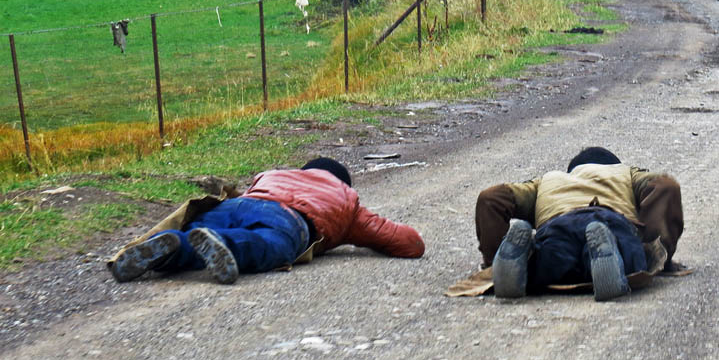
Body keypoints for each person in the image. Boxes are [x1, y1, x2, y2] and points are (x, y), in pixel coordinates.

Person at [108, 157, 424, 284]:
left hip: (244, 202)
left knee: (203, 230)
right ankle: (224, 246)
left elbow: (249, 199)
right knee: (268, 244)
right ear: (343, 182)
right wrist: (352, 234)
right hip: (289, 219)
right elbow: (409, 243)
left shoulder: (275, 174)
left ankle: (171, 249)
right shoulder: (346, 198)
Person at [473, 147, 685, 301]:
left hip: (558, 225)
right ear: (614, 165)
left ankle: (517, 262)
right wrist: (657, 252)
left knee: (544, 262)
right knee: (631, 257)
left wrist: (491, 263)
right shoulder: (624, 173)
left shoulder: (549, 180)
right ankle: (607, 251)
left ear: (571, 170)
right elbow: (665, 186)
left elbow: (492, 197)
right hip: (609, 220)